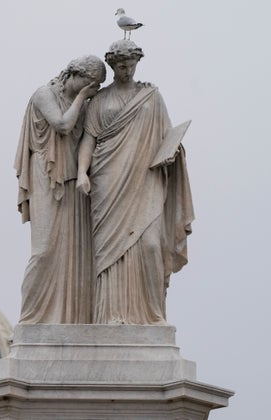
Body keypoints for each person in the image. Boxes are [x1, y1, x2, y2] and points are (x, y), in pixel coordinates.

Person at [76, 40, 194, 325]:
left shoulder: (151, 97)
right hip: (107, 180)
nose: (125, 70)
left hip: (145, 178)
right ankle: (111, 315)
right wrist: (82, 172)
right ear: (112, 66)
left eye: (129, 65)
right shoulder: (100, 101)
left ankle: (152, 316)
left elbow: (167, 136)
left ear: (137, 63)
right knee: (108, 252)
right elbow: (88, 140)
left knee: (150, 245)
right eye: (119, 66)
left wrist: (172, 153)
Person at [15, 55, 106, 324]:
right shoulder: (44, 94)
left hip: (72, 180)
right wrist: (83, 97)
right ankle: (30, 319)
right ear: (73, 75)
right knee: (43, 250)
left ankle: (69, 318)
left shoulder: (86, 105)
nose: (92, 91)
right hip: (46, 172)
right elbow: (63, 125)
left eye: (97, 87)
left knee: (73, 253)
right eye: (89, 84)